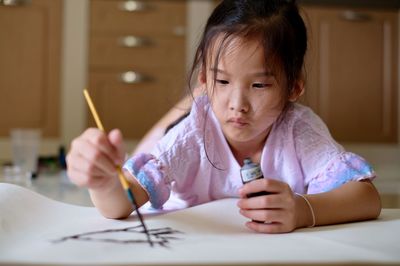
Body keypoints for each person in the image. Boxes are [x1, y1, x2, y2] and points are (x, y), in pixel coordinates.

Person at [67, 0, 381, 233]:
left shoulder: (299, 131)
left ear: (294, 87)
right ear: (203, 79)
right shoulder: (194, 132)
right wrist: (102, 181)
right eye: (222, 81)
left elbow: (367, 198)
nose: (237, 104)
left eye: (259, 85)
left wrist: (303, 211)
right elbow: (121, 204)